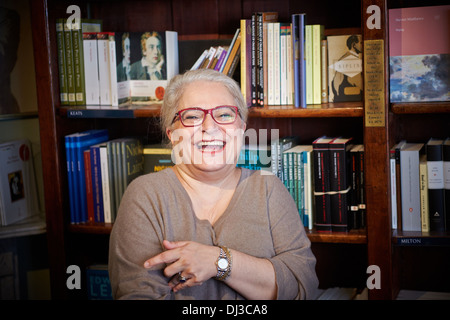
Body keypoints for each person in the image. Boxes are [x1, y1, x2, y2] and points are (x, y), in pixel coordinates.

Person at [108, 69, 319, 300]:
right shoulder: (145, 195)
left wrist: (218, 261)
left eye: (225, 114)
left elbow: (303, 288)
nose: (209, 126)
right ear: (171, 133)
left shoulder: (268, 189)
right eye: (192, 116)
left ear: (241, 128)